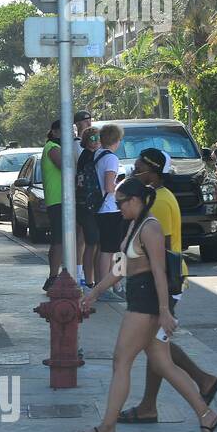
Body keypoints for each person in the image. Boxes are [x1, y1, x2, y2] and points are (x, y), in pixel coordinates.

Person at [75, 177, 217, 432]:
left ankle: (107, 428)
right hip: (142, 300)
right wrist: (94, 292)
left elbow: (158, 271)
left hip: (147, 302)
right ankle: (206, 414)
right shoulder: (133, 224)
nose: (118, 207)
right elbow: (119, 269)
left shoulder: (150, 228)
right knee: (163, 364)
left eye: (121, 203)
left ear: (135, 200)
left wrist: (165, 311)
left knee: (121, 362)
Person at [114, 149, 217, 425]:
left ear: (150, 171)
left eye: (138, 167)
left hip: (160, 285)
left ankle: (199, 385)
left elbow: (157, 256)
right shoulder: (159, 197)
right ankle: (161, 402)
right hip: (159, 285)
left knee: (156, 349)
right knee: (157, 348)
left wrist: (162, 305)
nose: (133, 170)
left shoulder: (156, 204)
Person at [94, 124, 125, 303]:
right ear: (117, 140)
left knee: (106, 248)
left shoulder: (98, 154)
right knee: (112, 249)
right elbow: (109, 186)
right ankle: (108, 286)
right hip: (110, 208)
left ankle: (112, 284)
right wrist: (123, 186)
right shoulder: (111, 158)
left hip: (101, 208)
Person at [74, 127, 102, 288]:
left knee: (89, 241)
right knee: (92, 242)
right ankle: (88, 279)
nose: (96, 141)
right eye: (92, 138)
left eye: (98, 138)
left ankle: (87, 277)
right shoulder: (89, 156)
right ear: (86, 141)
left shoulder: (91, 155)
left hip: (86, 204)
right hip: (86, 204)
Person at [42, 119, 65, 292]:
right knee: (58, 240)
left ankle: (54, 276)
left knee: (59, 240)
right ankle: (53, 277)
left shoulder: (56, 147)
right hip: (57, 199)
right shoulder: (52, 148)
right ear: (55, 132)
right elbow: (66, 166)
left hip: (60, 199)